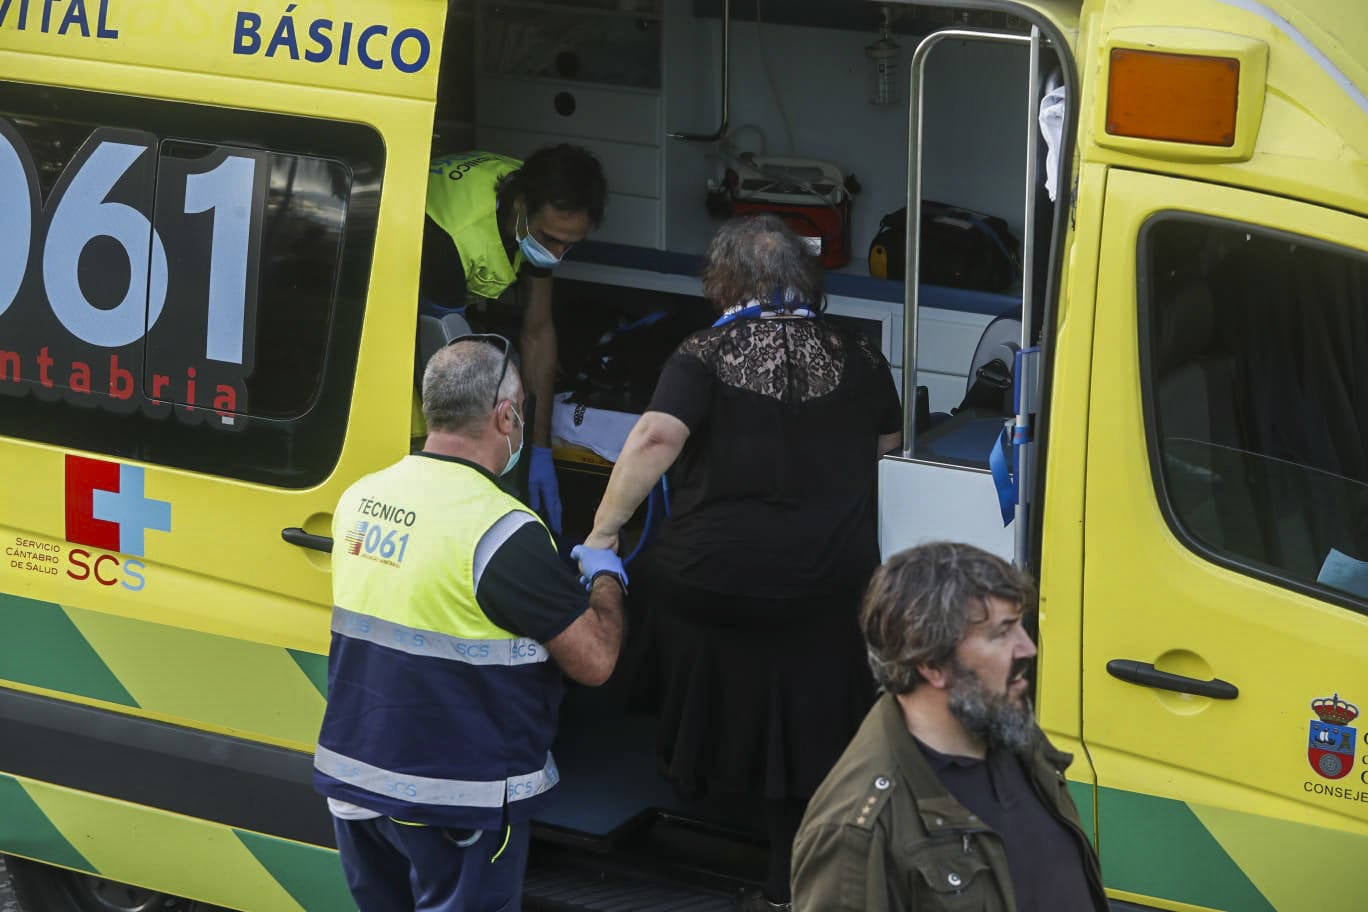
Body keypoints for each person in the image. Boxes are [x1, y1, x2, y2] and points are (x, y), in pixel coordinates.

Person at [583, 215, 904, 912]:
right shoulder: (862, 356)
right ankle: (794, 868)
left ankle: (687, 764)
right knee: (808, 690)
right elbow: (889, 445)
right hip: (830, 587)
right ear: (805, 279)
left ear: (723, 282)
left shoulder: (702, 353)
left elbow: (656, 438)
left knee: (649, 600)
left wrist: (603, 535)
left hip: (711, 581)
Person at [314, 337, 627, 912]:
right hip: (457, 802)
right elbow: (596, 660)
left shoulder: (361, 499)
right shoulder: (504, 532)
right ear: (506, 416)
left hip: (357, 787)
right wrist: (606, 575)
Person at [790, 542, 1107, 912]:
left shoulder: (1011, 732)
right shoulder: (858, 827)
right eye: (1002, 633)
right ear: (931, 664)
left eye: (1020, 626)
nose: (1028, 648)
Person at [421, 145, 609, 535]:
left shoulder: (532, 197)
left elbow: (538, 331)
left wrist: (539, 449)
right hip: (408, 271)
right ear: (521, 207)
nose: (557, 254)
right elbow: (452, 369)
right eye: (551, 239)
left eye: (568, 245)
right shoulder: (451, 237)